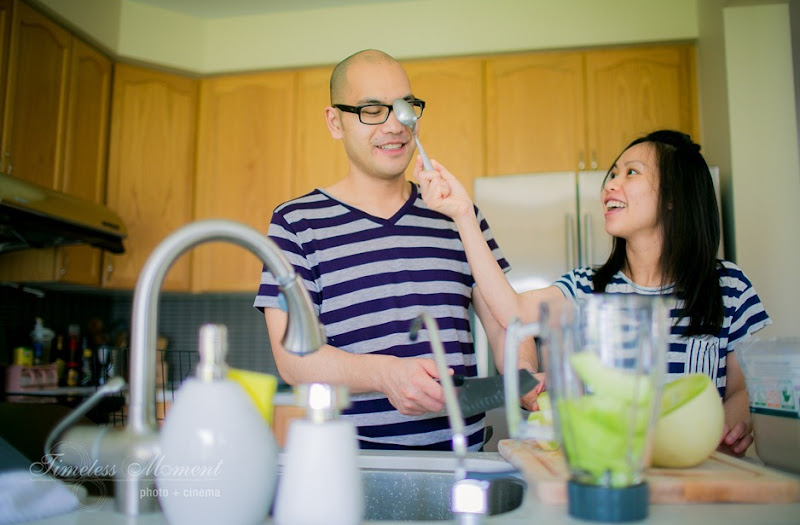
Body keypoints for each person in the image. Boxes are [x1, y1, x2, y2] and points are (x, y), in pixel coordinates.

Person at [414, 129, 771, 456]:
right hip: (609, 475)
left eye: (631, 173)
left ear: (674, 197)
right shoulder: (586, 289)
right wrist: (463, 215)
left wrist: (736, 419)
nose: (611, 184)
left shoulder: (728, 287)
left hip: (700, 480)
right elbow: (512, 311)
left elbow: (743, 389)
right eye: (613, 174)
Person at [254, 49, 537, 450]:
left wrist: (523, 373)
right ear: (335, 122)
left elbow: (505, 322)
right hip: (354, 465)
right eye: (372, 110)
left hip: (465, 461)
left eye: (405, 108)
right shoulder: (295, 223)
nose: (395, 126)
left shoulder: (459, 215)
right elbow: (294, 358)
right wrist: (385, 373)